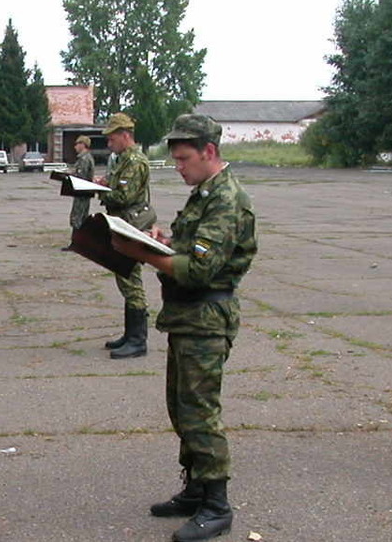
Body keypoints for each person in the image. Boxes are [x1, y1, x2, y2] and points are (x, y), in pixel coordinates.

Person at [110, 114, 257, 542]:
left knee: (200, 413)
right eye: (175, 159)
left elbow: (199, 270)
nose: (178, 166)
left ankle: (217, 504)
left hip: (206, 319)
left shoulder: (226, 199)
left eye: (184, 158)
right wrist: (164, 241)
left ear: (209, 152)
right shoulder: (205, 194)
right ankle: (195, 489)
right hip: (188, 318)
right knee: (181, 408)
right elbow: (192, 248)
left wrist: (142, 252)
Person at [96, 113, 155, 359]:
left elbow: (123, 197)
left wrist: (100, 190)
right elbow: (116, 186)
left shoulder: (135, 161)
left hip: (131, 224)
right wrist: (104, 183)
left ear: (125, 136)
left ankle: (138, 340)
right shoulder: (122, 159)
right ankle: (130, 334)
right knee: (124, 277)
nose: (109, 144)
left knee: (130, 279)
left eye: (111, 139)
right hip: (121, 222)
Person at [65, 135, 95, 248]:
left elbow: (81, 176)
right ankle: (80, 242)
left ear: (83, 144)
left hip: (82, 191)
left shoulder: (84, 159)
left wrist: (70, 175)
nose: (75, 147)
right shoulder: (86, 158)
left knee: (77, 217)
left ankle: (77, 243)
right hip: (84, 191)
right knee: (81, 217)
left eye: (77, 144)